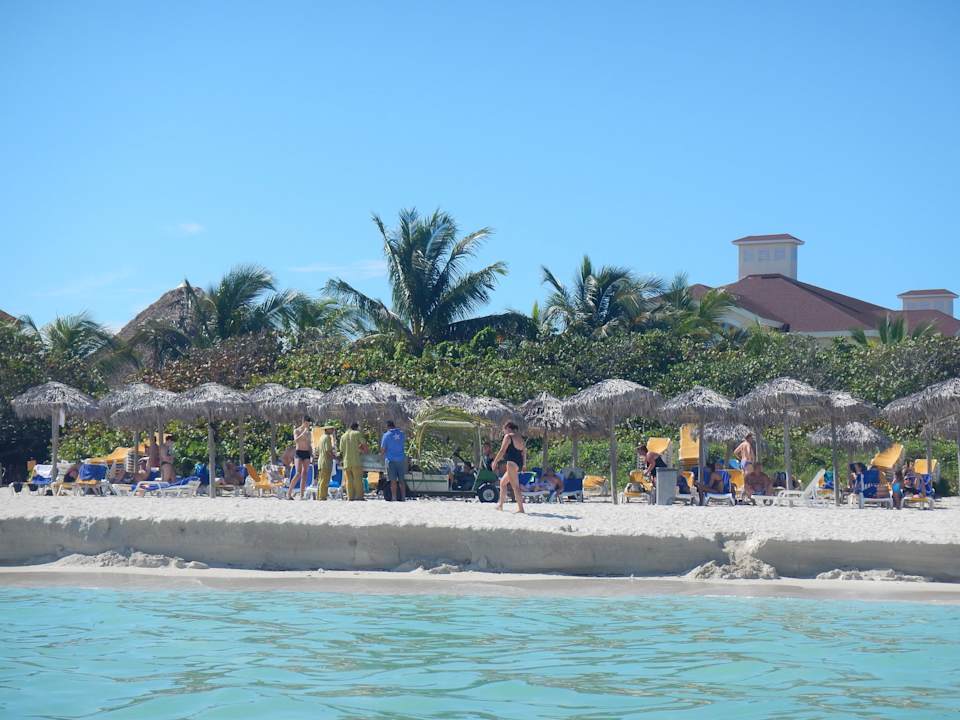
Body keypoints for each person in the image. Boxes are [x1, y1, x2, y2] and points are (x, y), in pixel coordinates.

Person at [493, 421, 526, 513]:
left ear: (508, 428)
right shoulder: (521, 438)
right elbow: (524, 452)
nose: (504, 432)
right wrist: (524, 465)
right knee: (503, 482)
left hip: (511, 463)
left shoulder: (508, 436)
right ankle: (500, 505)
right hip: (518, 463)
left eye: (504, 429)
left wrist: (495, 461)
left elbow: (502, 451)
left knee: (515, 486)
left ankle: (521, 509)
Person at [380, 420, 407, 502]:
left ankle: (394, 497)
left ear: (388, 426)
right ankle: (403, 497)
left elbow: (383, 449)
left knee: (393, 481)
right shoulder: (401, 434)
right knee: (402, 480)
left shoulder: (386, 435)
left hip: (391, 460)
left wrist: (381, 456)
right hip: (401, 460)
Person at [339, 422, 366, 501]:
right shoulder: (357, 433)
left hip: (346, 461)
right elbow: (364, 444)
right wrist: (364, 450)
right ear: (356, 427)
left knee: (348, 480)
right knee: (358, 480)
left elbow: (341, 450)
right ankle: (359, 497)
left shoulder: (343, 436)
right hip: (356, 461)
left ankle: (350, 497)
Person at [289, 416, 313, 500]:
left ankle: (302, 495)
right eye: (307, 423)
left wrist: (312, 454)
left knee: (305, 473)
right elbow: (296, 440)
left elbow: (309, 444)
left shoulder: (309, 432)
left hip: (306, 453)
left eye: (309, 423)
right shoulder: (297, 430)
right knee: (298, 473)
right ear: (303, 422)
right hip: (299, 452)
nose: (308, 425)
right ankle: (289, 493)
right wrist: (303, 433)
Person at [316, 426, 336, 500]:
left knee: (321, 480)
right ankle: (322, 496)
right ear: (327, 429)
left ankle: (319, 496)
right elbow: (328, 451)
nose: (333, 430)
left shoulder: (321, 437)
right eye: (331, 429)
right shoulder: (327, 438)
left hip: (320, 461)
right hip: (326, 461)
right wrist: (335, 457)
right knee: (325, 480)